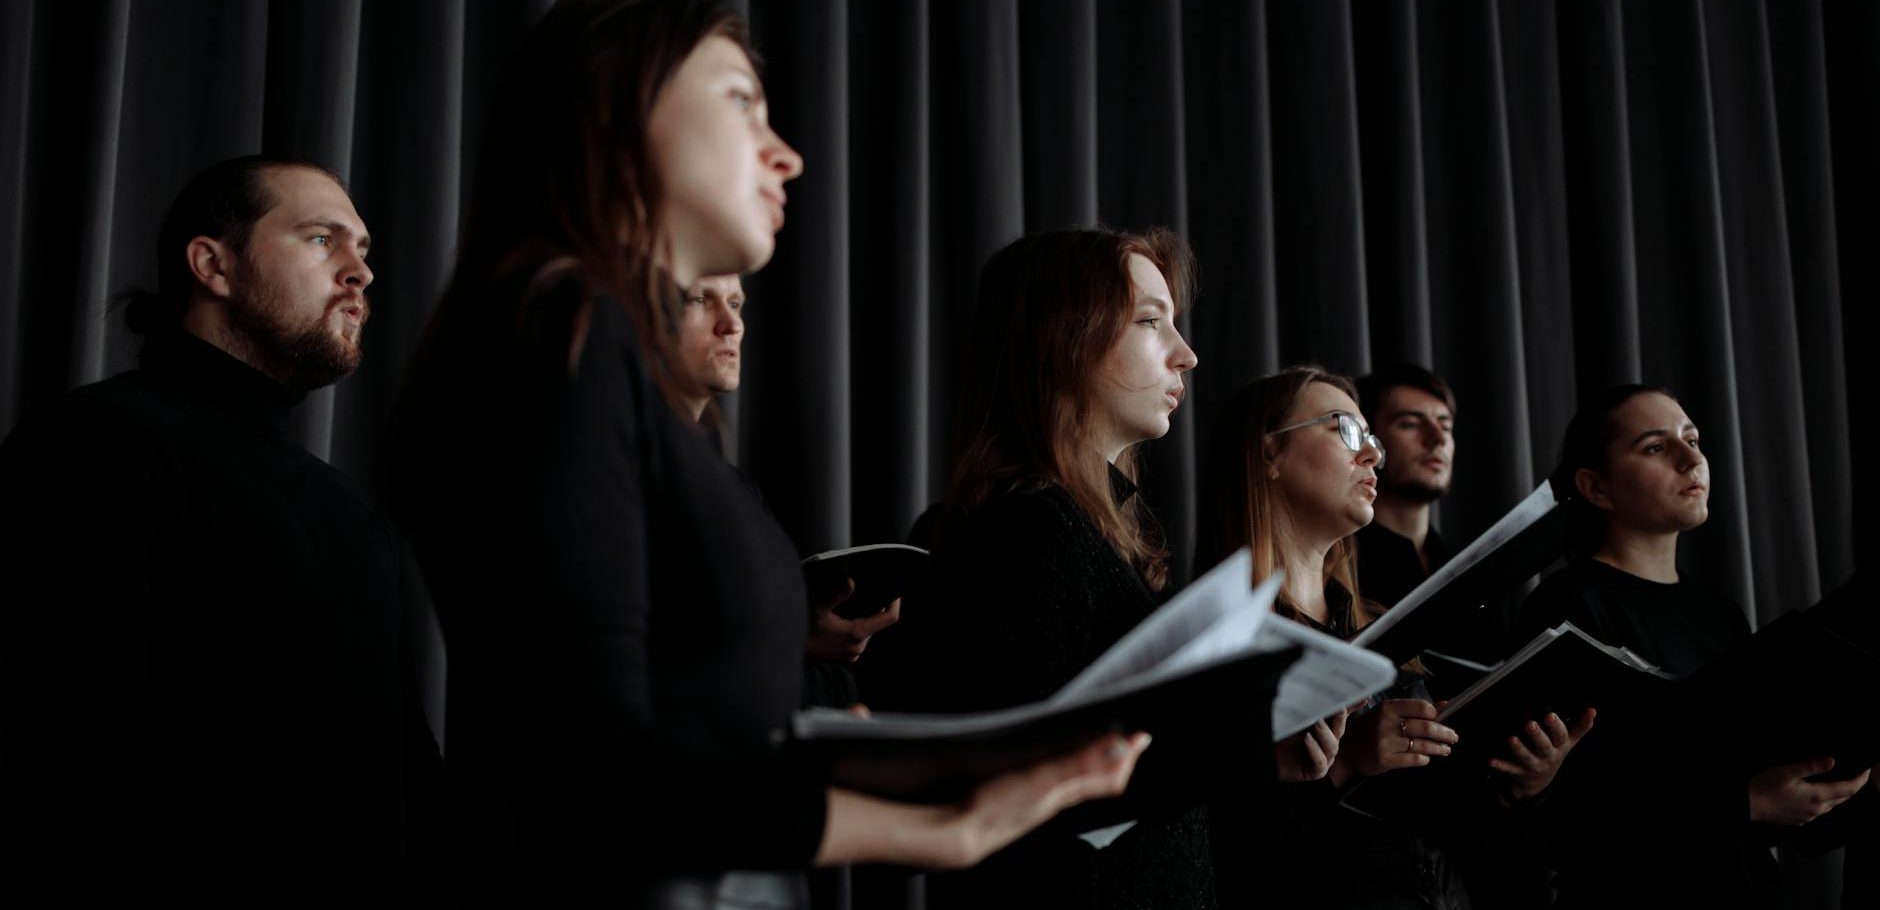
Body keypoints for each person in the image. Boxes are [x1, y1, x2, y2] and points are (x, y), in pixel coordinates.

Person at [388, 2, 1146, 906]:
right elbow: (601, 777)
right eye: (742, 102)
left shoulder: (587, 351)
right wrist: (944, 827)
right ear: (613, 114)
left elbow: (668, 719)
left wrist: (829, 748)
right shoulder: (553, 331)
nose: (785, 154)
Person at [0, 155, 444, 905]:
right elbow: (64, 753)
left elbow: (410, 775)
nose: (359, 272)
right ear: (213, 264)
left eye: (364, 250)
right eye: (320, 239)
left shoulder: (350, 512)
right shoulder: (94, 442)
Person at [898, 226, 1234, 908]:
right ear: (1062, 336)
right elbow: (1030, 799)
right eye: (1149, 321)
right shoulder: (1030, 528)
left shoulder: (1081, 529)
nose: (1187, 356)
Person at [1197, 365, 1587, 910]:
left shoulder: (1383, 627)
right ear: (1269, 455)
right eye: (1345, 430)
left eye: (1373, 439)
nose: (1373, 455)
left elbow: (1446, 828)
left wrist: (1519, 786)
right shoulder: (1213, 636)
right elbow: (1211, 852)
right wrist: (1348, 762)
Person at [1519, 384, 1874, 908]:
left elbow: (1742, 771)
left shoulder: (1719, 613)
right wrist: (1748, 802)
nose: (1693, 459)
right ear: (1595, 487)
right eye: (1656, 447)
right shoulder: (1567, 603)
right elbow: (1577, 807)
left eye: (1693, 439)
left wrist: (1829, 782)